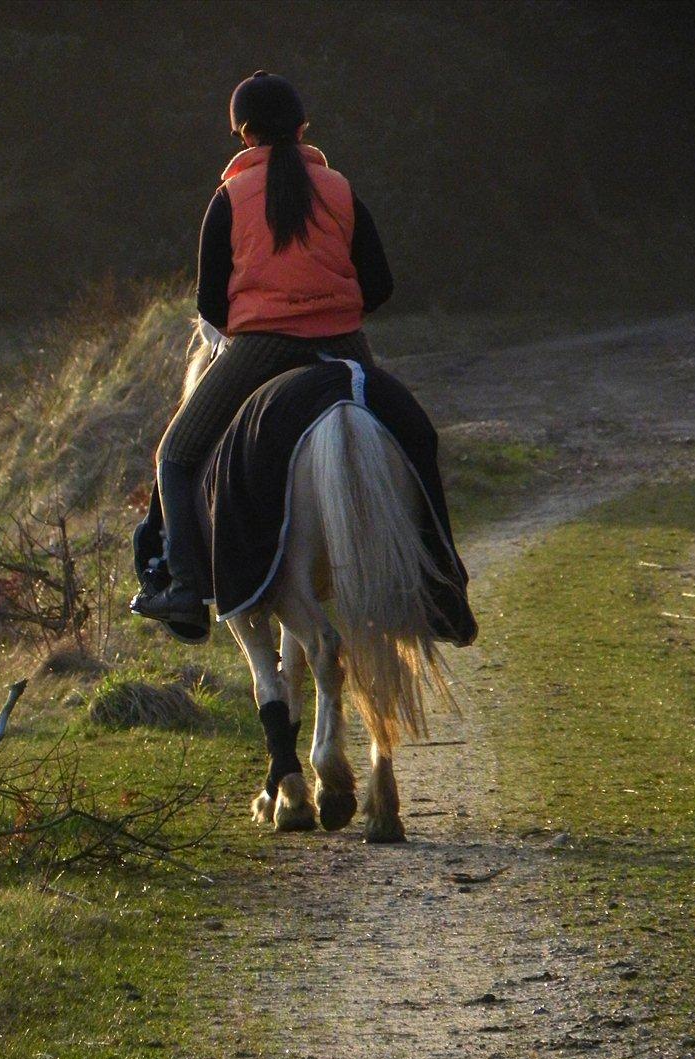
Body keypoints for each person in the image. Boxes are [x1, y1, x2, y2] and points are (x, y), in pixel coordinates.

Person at [132, 70, 393, 636]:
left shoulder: (229, 197)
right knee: (410, 435)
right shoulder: (342, 189)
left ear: (244, 135)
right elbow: (379, 285)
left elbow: (209, 302)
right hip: (343, 344)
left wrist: (265, 324)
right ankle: (439, 573)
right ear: (302, 129)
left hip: (261, 349)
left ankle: (183, 588)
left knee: (174, 456)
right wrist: (330, 309)